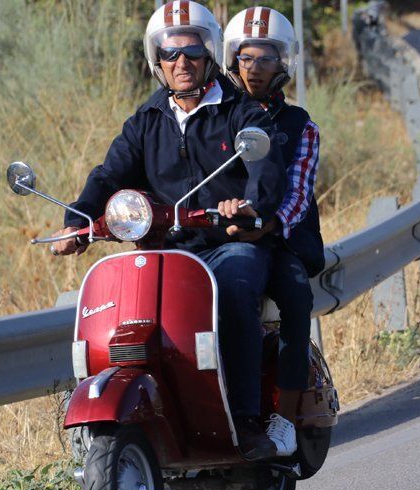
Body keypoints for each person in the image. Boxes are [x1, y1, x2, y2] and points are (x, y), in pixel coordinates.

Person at [50, 1, 289, 461]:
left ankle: (244, 419)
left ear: (211, 54)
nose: (181, 62)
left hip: (228, 244)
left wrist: (248, 206)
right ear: (156, 60)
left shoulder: (241, 113)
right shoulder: (147, 120)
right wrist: (77, 220)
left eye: (192, 52)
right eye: (170, 53)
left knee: (236, 290)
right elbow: (109, 174)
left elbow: (265, 168)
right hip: (165, 250)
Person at [223, 7, 325, 457]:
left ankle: (284, 414)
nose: (254, 68)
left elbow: (299, 193)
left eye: (265, 58)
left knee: (296, 293)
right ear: (230, 60)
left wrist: (266, 227)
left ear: (283, 63)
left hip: (278, 238)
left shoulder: (300, 124)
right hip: (223, 237)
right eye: (246, 58)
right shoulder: (217, 115)